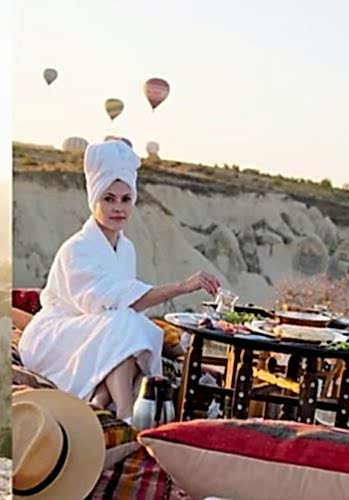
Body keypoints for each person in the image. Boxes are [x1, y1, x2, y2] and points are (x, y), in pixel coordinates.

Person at [19, 139, 222, 420]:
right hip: (54, 338)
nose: (118, 208)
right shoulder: (76, 249)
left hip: (99, 333)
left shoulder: (126, 249)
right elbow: (112, 302)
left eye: (126, 199)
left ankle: (101, 400)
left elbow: (125, 308)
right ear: (94, 201)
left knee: (141, 329)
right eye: (108, 198)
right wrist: (183, 286)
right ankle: (128, 413)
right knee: (125, 324)